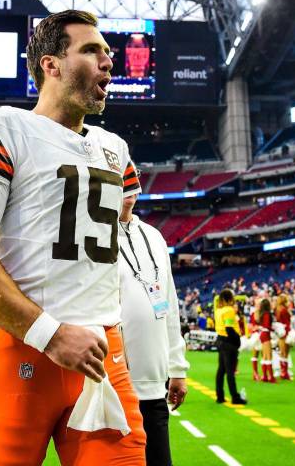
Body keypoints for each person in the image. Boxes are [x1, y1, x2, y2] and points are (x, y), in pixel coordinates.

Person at [0, 10, 147, 465]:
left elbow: (115, 230)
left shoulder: (115, 150)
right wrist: (50, 335)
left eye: (108, 52)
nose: (108, 60)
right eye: (91, 50)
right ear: (50, 65)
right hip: (22, 347)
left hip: (102, 352)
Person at [117, 188, 189, 466]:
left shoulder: (154, 236)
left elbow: (169, 305)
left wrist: (177, 369)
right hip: (113, 387)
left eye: (133, 181)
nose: (128, 189)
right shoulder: (94, 234)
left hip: (153, 388)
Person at [214, 289, 247, 405]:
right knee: (230, 371)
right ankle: (235, 397)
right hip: (229, 342)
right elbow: (229, 328)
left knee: (221, 370)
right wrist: (237, 340)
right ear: (230, 298)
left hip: (220, 340)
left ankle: (220, 395)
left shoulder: (218, 310)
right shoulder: (229, 310)